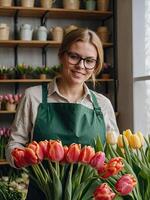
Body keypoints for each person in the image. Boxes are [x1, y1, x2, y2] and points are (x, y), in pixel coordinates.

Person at [6, 28, 119, 199]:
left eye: (89, 61)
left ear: (96, 66)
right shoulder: (34, 96)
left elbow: (113, 153)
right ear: (61, 55)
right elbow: (15, 144)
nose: (81, 66)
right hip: (43, 195)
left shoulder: (103, 104)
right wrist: (21, 157)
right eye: (74, 57)